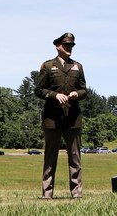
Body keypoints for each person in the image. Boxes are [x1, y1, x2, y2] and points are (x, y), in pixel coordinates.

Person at [34, 32, 87, 200]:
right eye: (66, 45)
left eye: (71, 45)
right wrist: (54, 95)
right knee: (50, 158)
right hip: (52, 119)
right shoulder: (48, 66)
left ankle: (77, 194)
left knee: (75, 159)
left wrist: (76, 94)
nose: (69, 48)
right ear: (58, 46)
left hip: (73, 119)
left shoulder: (78, 66)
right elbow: (39, 90)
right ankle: (47, 194)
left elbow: (84, 90)